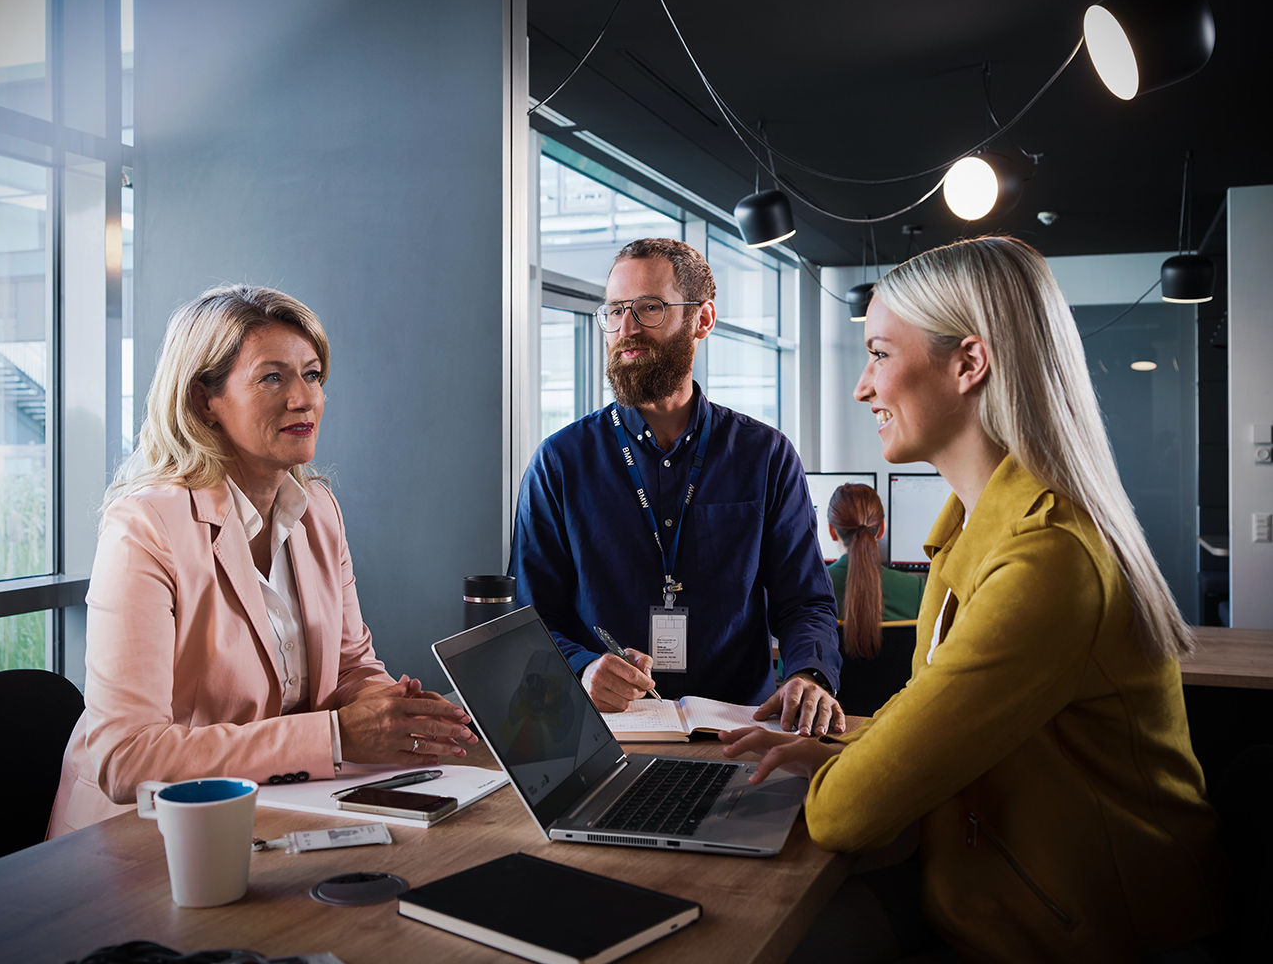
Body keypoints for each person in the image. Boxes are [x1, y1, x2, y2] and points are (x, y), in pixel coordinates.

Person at [721, 237, 1223, 962]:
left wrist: (828, 771)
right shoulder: (966, 530)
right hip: (996, 899)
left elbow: (844, 814)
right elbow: (926, 718)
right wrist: (821, 748)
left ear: (969, 363)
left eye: (880, 355)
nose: (863, 387)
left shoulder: (1047, 559)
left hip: (1098, 937)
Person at [47, 285, 476, 837]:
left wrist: (398, 715)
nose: (304, 399)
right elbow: (126, 757)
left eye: (313, 374)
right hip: (141, 840)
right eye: (273, 377)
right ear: (205, 400)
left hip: (278, 814)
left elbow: (350, 666)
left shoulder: (318, 510)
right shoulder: (145, 526)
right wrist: (339, 736)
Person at [509, 237, 844, 736]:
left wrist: (809, 675)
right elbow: (528, 616)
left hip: (741, 734)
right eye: (617, 310)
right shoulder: (559, 463)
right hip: (606, 737)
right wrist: (581, 668)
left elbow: (805, 601)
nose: (626, 329)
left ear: (702, 320)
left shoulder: (766, 456)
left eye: (648, 308)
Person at [825, 482, 924, 716]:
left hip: (829, 729)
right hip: (896, 725)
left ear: (831, 531)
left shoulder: (813, 587)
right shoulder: (918, 588)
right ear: (881, 530)